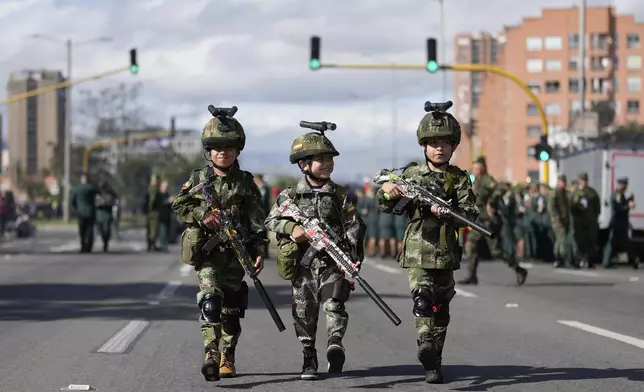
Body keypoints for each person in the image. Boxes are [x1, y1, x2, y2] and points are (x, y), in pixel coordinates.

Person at [376, 101, 478, 384]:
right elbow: (383, 201)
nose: (439, 148)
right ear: (424, 146)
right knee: (422, 299)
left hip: (446, 252)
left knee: (441, 308)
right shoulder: (411, 175)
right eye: (433, 142)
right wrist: (388, 190)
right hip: (418, 249)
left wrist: (450, 213)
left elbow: (471, 214)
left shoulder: (459, 179)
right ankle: (425, 343)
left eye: (444, 142)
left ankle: (436, 361)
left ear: (453, 145)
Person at [172, 107, 268, 382]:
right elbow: (179, 205)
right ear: (208, 151)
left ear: (238, 150)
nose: (222, 152)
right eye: (216, 147)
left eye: (228, 147)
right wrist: (203, 215)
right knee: (211, 300)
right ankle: (211, 352)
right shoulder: (198, 179)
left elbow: (256, 221)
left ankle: (229, 354)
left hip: (237, 255)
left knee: (232, 310)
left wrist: (259, 251)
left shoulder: (247, 184)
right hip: (209, 253)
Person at [265, 125, 365, 381]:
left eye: (329, 159)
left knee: (335, 303)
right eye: (321, 159)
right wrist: (292, 227)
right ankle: (309, 355)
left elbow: (354, 226)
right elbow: (271, 222)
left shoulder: (340, 194)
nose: (327, 164)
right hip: (303, 265)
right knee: (304, 311)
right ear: (304, 164)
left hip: (332, 261)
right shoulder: (290, 196)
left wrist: (352, 256)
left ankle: (334, 342)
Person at [458, 156, 528, 286]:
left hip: (488, 221)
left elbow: (500, 188)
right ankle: (472, 275)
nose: (473, 170)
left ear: (482, 168)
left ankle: (519, 269)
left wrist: (491, 202)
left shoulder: (486, 180)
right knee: (470, 245)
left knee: (496, 251)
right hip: (479, 221)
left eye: (476, 168)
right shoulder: (477, 181)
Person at [602, 177, 638, 269]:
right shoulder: (617, 194)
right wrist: (628, 206)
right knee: (614, 242)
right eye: (625, 184)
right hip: (617, 222)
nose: (626, 186)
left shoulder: (621, 194)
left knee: (624, 242)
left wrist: (629, 201)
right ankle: (607, 261)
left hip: (622, 222)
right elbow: (619, 208)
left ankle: (634, 260)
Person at [71, 173, 99, 253]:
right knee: (90, 230)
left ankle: (83, 245)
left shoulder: (76, 188)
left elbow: (73, 201)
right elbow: (99, 192)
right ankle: (89, 246)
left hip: (80, 213)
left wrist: (75, 209)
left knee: (82, 230)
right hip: (90, 212)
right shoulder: (91, 188)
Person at [95, 180, 117, 252]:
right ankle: (104, 240)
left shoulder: (110, 194)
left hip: (107, 215)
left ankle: (105, 243)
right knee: (100, 230)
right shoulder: (97, 194)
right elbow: (95, 202)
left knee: (106, 230)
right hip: (100, 215)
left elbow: (113, 202)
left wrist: (105, 204)